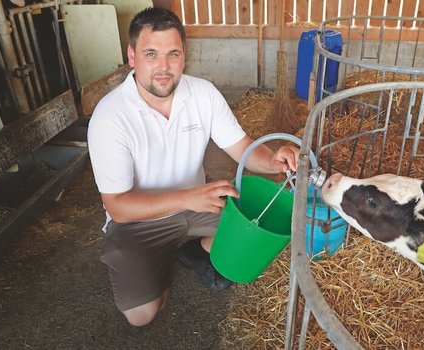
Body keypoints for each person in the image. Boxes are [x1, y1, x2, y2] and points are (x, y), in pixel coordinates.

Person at [87, 7, 299, 327]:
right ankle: (162, 259)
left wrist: (272, 160)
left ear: (184, 54)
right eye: (151, 54)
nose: (163, 66)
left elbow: (242, 148)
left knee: (255, 237)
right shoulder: (110, 116)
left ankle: (194, 249)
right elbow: (118, 207)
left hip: (201, 202)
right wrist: (188, 198)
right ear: (131, 56)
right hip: (140, 219)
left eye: (173, 53)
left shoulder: (203, 93)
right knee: (141, 316)